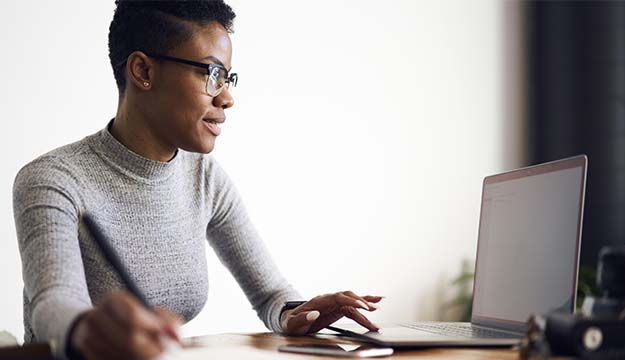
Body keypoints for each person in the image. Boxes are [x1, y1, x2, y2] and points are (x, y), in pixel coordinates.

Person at [12, 1, 382, 359]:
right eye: (212, 74)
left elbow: (272, 295)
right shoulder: (53, 179)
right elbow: (53, 306)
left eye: (228, 77)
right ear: (143, 71)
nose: (227, 97)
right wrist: (88, 329)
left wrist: (296, 313)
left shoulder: (204, 178)